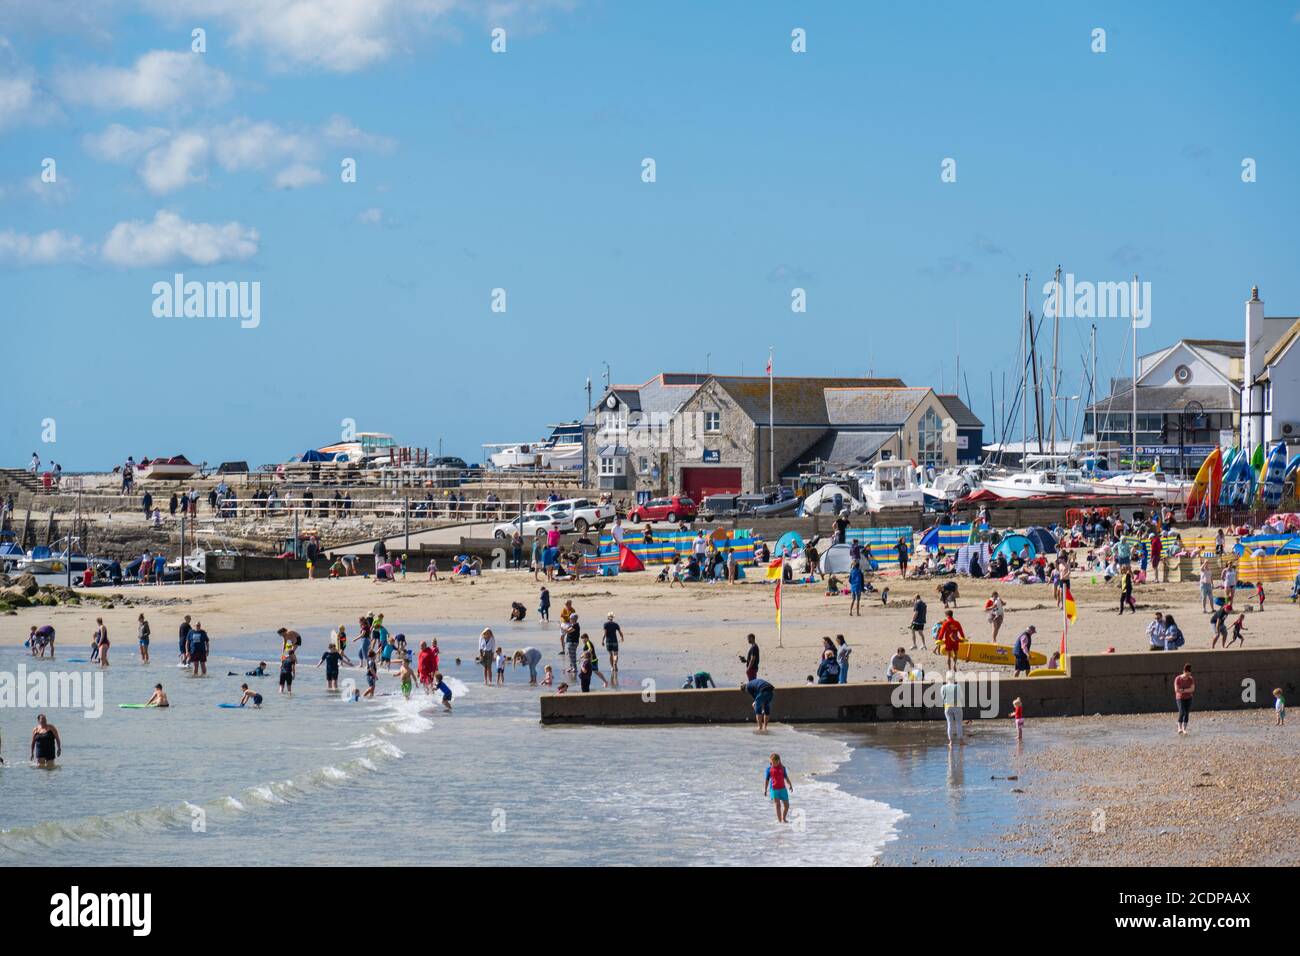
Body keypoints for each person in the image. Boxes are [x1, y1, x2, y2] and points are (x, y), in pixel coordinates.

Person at [765, 753, 793, 823]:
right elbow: (767, 780)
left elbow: (786, 777)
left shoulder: (782, 768)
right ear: (771, 761)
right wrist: (765, 789)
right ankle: (780, 821)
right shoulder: (769, 769)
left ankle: (784, 818)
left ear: (779, 761)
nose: (775, 764)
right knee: (778, 805)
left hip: (783, 789)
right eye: (773, 762)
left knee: (787, 805)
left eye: (776, 762)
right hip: (774, 789)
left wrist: (790, 785)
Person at [941, 671, 963, 745]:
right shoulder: (957, 686)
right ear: (954, 678)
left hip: (947, 707)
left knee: (949, 724)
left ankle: (950, 742)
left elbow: (942, 697)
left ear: (947, 678)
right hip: (957, 706)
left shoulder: (943, 687)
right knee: (958, 723)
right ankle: (961, 741)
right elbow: (961, 697)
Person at [1174, 663, 1195, 734]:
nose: (1188, 676)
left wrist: (1183, 690)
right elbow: (1177, 690)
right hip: (1180, 698)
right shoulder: (1178, 679)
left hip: (1189, 698)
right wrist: (1187, 690)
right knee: (1182, 712)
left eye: (1189, 674)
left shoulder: (1191, 679)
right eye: (1186, 674)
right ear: (1184, 672)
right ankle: (1179, 728)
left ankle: (1184, 729)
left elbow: (1192, 689)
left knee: (1187, 713)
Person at [602, 613, 623, 678]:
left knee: (611, 655)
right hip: (615, 641)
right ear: (613, 618)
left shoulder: (605, 624)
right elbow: (620, 632)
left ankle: (612, 667)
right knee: (615, 654)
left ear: (608, 618)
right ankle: (615, 664)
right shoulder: (616, 624)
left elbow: (605, 633)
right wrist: (622, 637)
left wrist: (602, 640)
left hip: (608, 641)